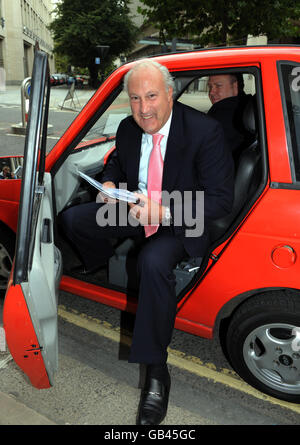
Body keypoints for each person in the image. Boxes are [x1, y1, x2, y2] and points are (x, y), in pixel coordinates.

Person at [61, 60, 234, 425]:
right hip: (134, 209)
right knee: (73, 219)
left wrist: (165, 211)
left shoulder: (204, 131)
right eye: (136, 98)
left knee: (152, 264)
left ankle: (156, 372)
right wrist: (108, 184)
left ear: (170, 94)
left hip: (178, 220)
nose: (144, 108)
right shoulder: (128, 127)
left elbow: (220, 201)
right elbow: (117, 165)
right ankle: (99, 262)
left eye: (152, 96)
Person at [207, 74, 253, 166]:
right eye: (210, 86)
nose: (211, 92)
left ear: (235, 87)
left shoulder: (221, 114)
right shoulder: (248, 106)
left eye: (218, 85)